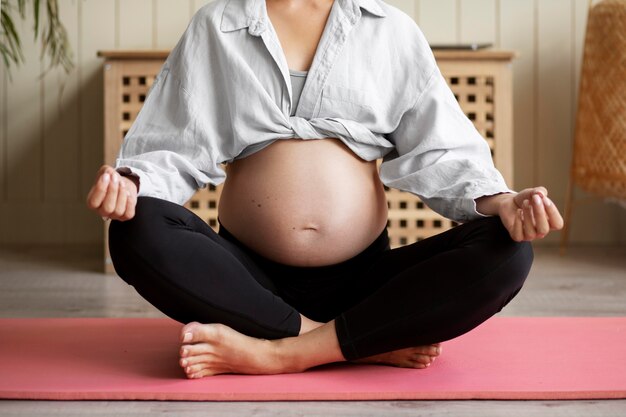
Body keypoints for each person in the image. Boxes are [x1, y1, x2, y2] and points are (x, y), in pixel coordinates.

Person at [86, 0, 563, 378]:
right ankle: (349, 344)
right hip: (247, 281)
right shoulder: (217, 25)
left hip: (365, 283)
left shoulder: (390, 30)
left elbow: (443, 151)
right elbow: (173, 143)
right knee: (134, 229)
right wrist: (130, 185)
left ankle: (276, 354)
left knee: (509, 249)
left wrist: (503, 202)